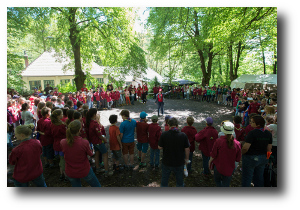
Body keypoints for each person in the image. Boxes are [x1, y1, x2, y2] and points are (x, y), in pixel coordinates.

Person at [60, 120, 101, 187]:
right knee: (97, 186)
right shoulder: (84, 142)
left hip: (70, 171)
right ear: (79, 130)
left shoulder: (62, 142)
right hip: (84, 170)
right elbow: (90, 154)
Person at [242, 115, 273, 187]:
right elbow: (269, 148)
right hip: (263, 158)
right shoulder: (268, 133)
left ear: (258, 124)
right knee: (259, 177)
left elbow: (245, 148)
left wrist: (242, 153)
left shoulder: (252, 133)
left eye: (253, 122)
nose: (250, 123)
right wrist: (268, 158)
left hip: (251, 157)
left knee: (247, 177)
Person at [158, 117, 190, 187]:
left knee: (164, 181)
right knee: (179, 181)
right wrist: (187, 159)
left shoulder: (164, 134)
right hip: (179, 162)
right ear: (177, 125)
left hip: (167, 161)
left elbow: (159, 147)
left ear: (168, 125)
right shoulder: (183, 135)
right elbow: (187, 149)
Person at [209, 121, 242, 187]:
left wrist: (209, 162)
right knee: (226, 184)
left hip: (218, 166)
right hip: (230, 168)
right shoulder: (237, 144)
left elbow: (213, 154)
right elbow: (238, 159)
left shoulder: (218, 141)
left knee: (217, 180)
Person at [86, 108, 112, 176]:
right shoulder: (95, 124)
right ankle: (107, 171)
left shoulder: (89, 122)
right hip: (99, 142)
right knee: (105, 154)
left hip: (94, 142)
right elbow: (99, 135)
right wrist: (105, 139)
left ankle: (97, 168)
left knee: (97, 154)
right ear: (94, 115)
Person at [50, 109, 68, 182]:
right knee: (64, 160)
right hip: (62, 144)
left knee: (61, 160)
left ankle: (61, 174)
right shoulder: (61, 125)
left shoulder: (52, 124)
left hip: (56, 143)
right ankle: (66, 176)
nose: (62, 115)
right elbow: (66, 134)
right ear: (58, 116)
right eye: (61, 114)